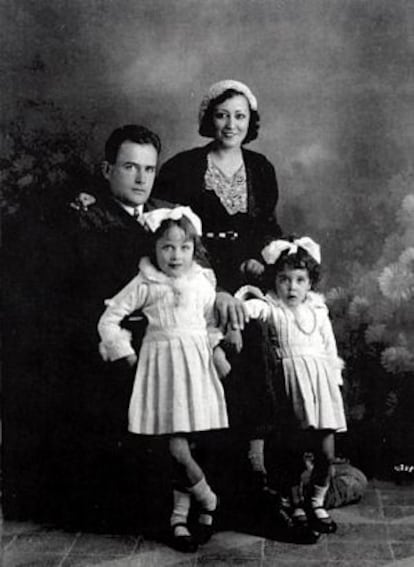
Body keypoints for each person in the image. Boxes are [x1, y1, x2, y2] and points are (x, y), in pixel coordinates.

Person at [98, 207, 229, 552]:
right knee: (175, 444)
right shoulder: (146, 281)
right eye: (167, 247)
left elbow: (209, 322)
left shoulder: (202, 280)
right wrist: (124, 352)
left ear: (194, 248)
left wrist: (217, 352)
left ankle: (179, 519)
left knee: (187, 442)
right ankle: (208, 498)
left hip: (195, 365)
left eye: (184, 247)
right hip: (162, 367)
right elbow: (109, 319)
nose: (176, 256)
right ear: (154, 248)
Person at [234, 236, 347, 540]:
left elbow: (328, 347)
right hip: (288, 387)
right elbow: (250, 307)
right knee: (291, 451)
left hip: (320, 385)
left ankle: (316, 501)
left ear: (310, 283)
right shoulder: (271, 307)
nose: (292, 287)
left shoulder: (318, 310)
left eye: (300, 280)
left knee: (325, 452)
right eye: (284, 280)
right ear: (275, 281)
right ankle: (294, 503)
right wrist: (243, 302)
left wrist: (334, 384)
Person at [153, 79, 282, 293]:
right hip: (194, 276)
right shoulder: (182, 166)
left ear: (250, 120)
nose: (231, 125)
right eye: (222, 115)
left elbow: (268, 228)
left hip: (249, 275)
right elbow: (158, 221)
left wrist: (259, 260)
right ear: (209, 119)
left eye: (240, 116)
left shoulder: (262, 169)